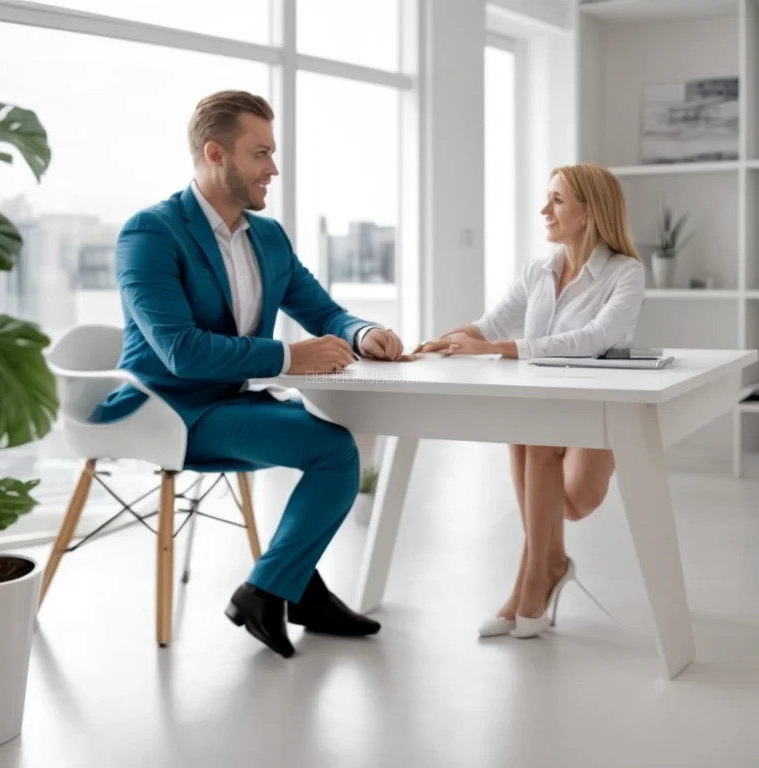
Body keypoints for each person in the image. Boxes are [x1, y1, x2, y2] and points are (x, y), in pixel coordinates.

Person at [92, 90, 408, 658]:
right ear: (216, 153)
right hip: (165, 409)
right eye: (259, 153)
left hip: (230, 401)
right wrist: (290, 358)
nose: (273, 169)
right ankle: (267, 592)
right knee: (334, 451)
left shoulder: (268, 236)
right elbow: (180, 352)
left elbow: (323, 311)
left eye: (273, 153)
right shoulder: (150, 233)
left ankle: (289, 590)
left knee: (334, 447)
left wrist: (363, 334)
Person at [414, 163, 645, 639]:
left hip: (595, 413)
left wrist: (498, 349)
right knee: (527, 435)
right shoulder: (538, 272)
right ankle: (538, 576)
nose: (545, 210)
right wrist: (445, 340)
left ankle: (544, 569)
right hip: (542, 414)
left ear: (589, 212)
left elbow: (593, 338)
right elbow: (490, 324)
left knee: (573, 500)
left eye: (557, 200)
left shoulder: (626, 274)